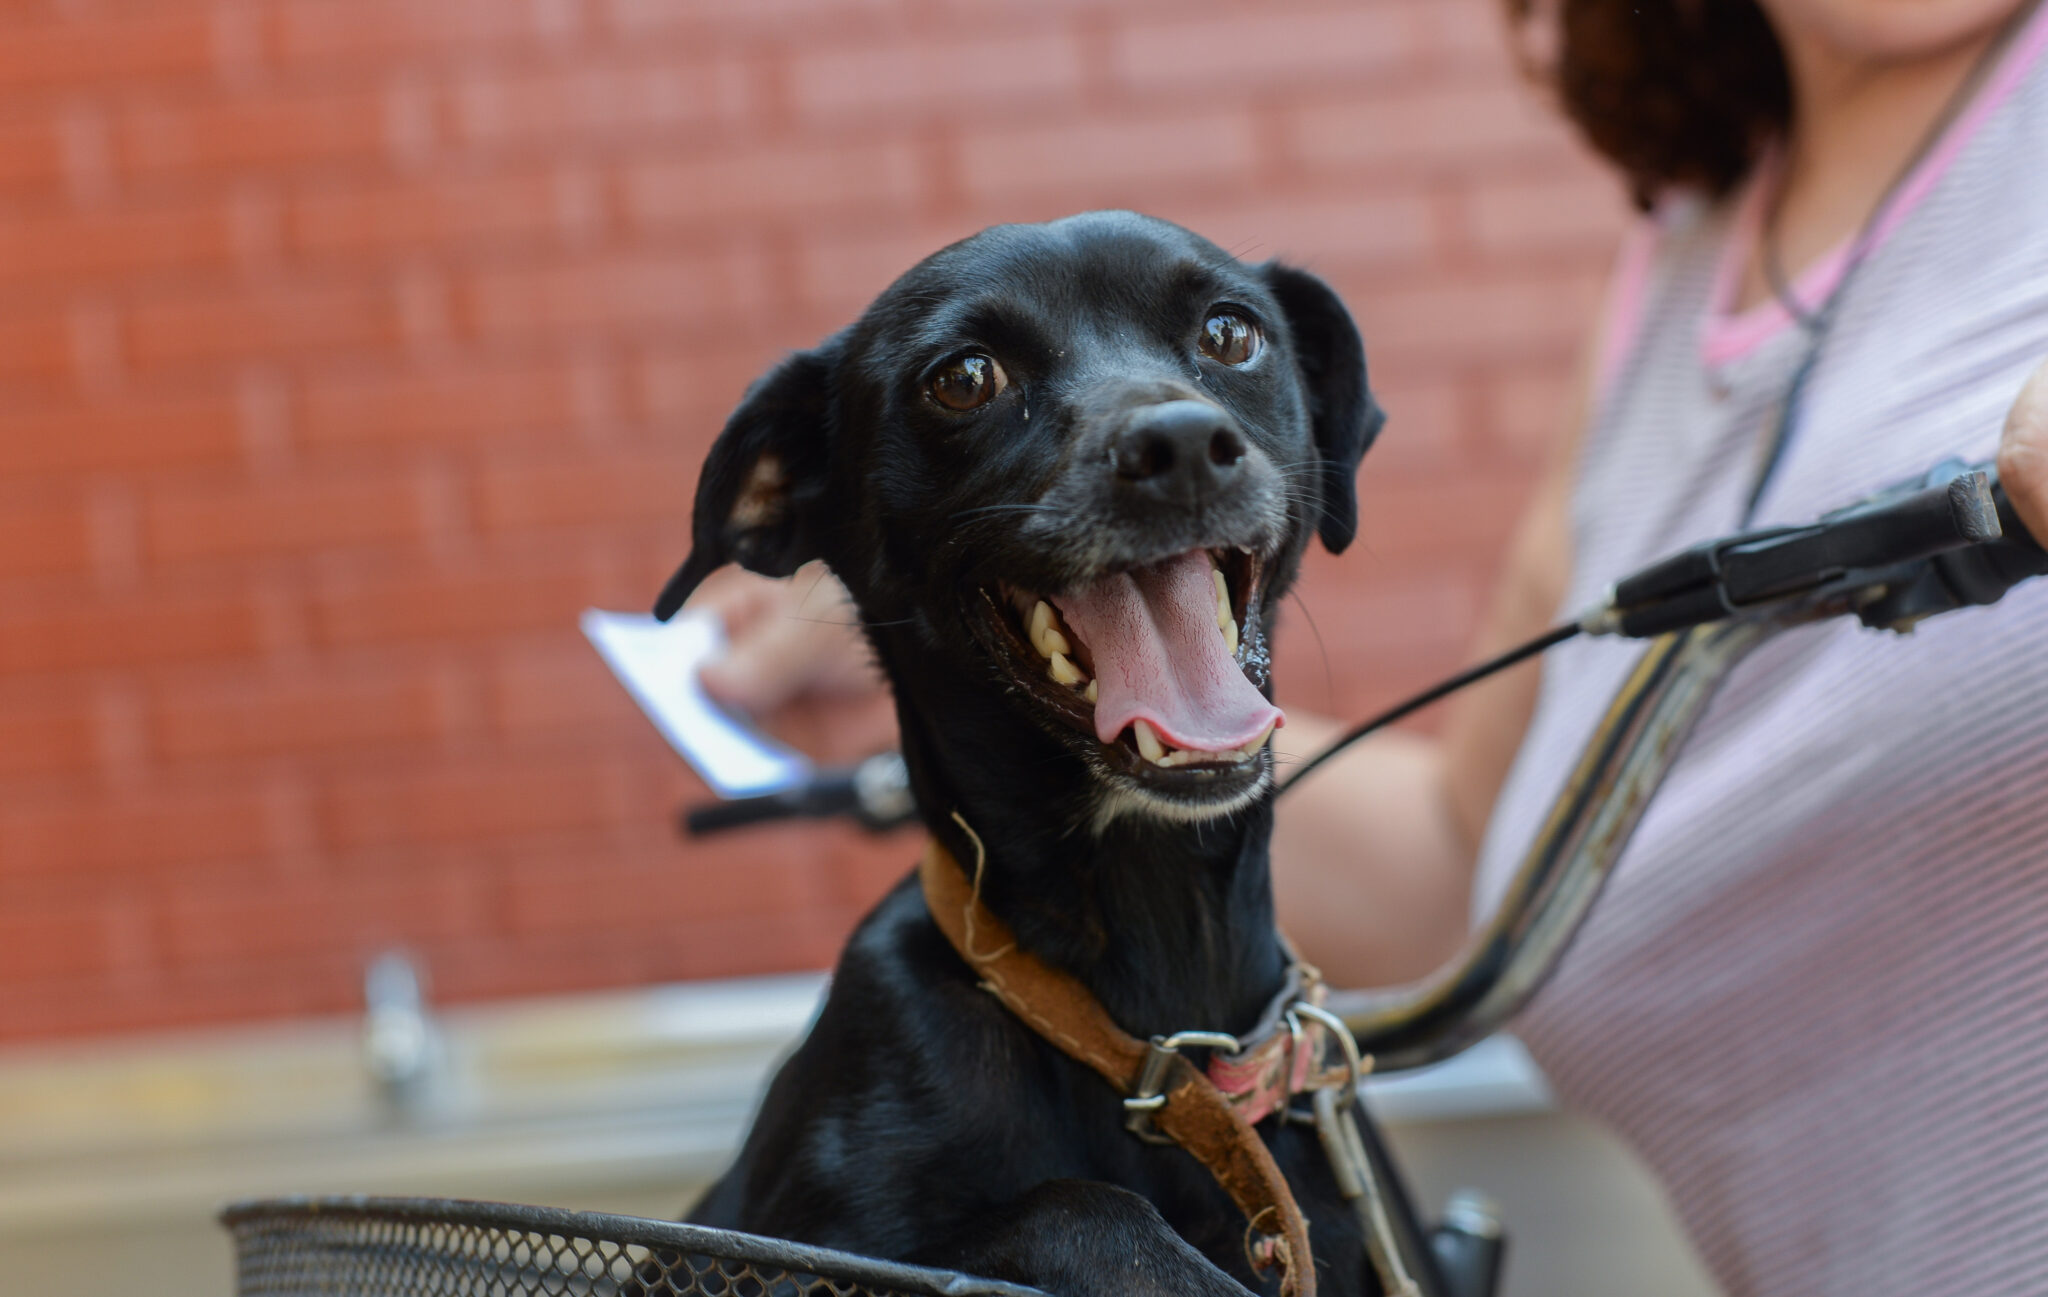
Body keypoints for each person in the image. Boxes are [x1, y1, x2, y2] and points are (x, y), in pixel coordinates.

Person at [691, 2, 2048, 1291]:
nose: (1165, 423)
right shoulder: (1685, 258)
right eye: (971, 383)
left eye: (1225, 342)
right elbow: (1466, 859)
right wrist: (923, 662)